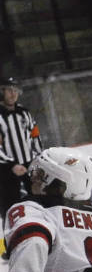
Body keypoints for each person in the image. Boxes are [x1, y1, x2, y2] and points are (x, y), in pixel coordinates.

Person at [0, 78, 43, 218]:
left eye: (15, 89)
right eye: (9, 90)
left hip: (29, 165)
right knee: (10, 208)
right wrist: (12, 165)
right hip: (6, 169)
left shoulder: (24, 112)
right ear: (2, 92)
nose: (13, 93)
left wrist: (39, 158)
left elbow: (35, 135)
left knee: (39, 203)